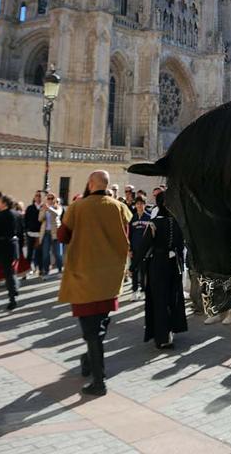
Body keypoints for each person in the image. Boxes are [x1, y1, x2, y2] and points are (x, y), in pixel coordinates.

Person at [57, 170, 132, 396]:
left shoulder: (78, 207)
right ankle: (90, 361)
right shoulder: (118, 206)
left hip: (84, 278)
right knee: (100, 324)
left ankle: (99, 381)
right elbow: (125, 235)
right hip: (109, 278)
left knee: (92, 332)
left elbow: (62, 236)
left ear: (90, 184)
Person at [134, 189, 189, 349]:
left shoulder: (154, 223)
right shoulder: (176, 223)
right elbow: (180, 245)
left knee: (159, 300)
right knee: (172, 298)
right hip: (173, 265)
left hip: (158, 265)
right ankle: (170, 331)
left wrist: (134, 265)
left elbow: (144, 246)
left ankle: (162, 336)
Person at [127, 195, 151, 297]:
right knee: (134, 270)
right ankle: (134, 291)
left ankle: (143, 290)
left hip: (145, 250)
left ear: (144, 205)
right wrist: (129, 249)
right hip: (135, 249)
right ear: (135, 205)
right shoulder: (132, 218)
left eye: (141, 203)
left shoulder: (149, 217)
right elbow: (129, 235)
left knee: (144, 270)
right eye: (137, 204)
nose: (139, 205)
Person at [38, 194, 63, 275]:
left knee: (58, 254)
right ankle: (46, 270)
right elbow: (40, 219)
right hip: (46, 233)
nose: (50, 199)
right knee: (45, 254)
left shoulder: (58, 207)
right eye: (48, 198)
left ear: (54, 199)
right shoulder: (44, 208)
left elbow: (57, 214)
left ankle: (60, 269)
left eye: (51, 198)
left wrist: (49, 208)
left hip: (56, 233)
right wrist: (45, 210)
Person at [23, 192, 43, 276]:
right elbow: (25, 219)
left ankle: (39, 269)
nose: (38, 197)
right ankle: (28, 269)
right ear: (34, 198)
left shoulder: (43, 207)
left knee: (39, 253)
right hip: (30, 233)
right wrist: (26, 230)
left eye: (39, 196)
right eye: (36, 196)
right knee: (30, 253)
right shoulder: (30, 208)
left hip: (40, 233)